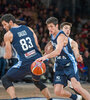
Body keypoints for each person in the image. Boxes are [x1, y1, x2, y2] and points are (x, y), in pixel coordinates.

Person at [0, 14, 52, 100]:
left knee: (5, 79)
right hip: (39, 62)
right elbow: (38, 46)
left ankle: (15, 99)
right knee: (37, 81)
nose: (4, 27)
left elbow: (8, 55)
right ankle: (50, 99)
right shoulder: (28, 28)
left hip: (25, 64)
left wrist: (3, 55)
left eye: (5, 24)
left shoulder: (8, 35)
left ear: (10, 22)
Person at [36, 17, 90, 100]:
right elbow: (50, 47)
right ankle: (77, 97)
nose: (49, 29)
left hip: (69, 64)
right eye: (48, 27)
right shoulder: (52, 35)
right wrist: (46, 51)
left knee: (77, 87)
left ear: (56, 26)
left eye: (51, 26)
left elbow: (58, 51)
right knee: (58, 91)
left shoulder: (62, 37)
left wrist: (45, 57)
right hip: (59, 66)